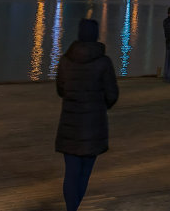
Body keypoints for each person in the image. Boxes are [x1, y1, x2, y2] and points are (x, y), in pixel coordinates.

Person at [55, 18, 118, 211]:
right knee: (84, 174)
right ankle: (73, 208)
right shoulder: (103, 62)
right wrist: (100, 106)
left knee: (71, 173)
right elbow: (112, 94)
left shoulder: (66, 61)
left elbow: (60, 90)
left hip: (70, 126)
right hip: (93, 127)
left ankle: (70, 209)